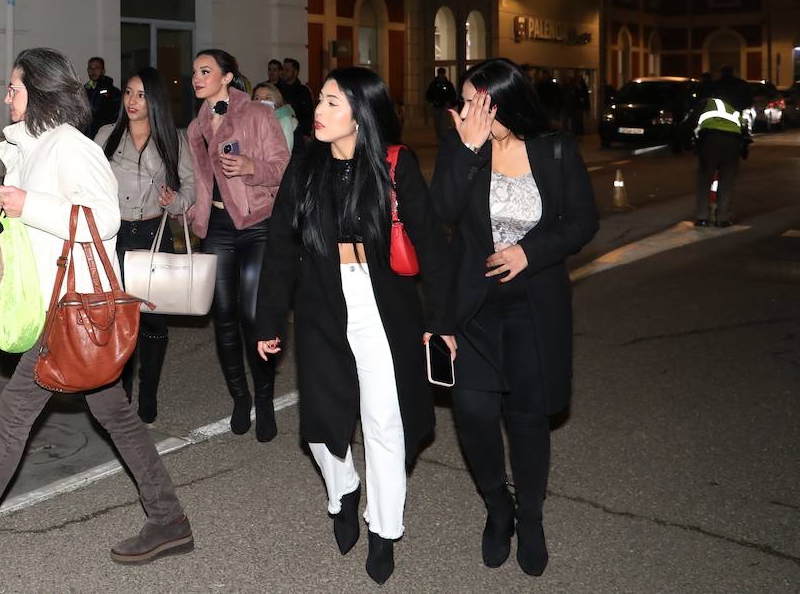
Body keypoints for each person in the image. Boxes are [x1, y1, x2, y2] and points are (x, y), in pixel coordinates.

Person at [0, 48, 192, 586]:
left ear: (40, 92)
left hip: (72, 311)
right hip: (59, 309)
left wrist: (27, 205)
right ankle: (169, 519)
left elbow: (103, 217)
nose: (6, 96)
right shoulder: (30, 149)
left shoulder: (70, 147)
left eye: (14, 87)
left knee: (11, 422)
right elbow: (25, 235)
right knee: (115, 413)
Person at [255, 67, 453, 585]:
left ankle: (385, 529)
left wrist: (443, 321)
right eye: (318, 102)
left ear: (359, 115)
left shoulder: (394, 164)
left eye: (331, 104)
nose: (317, 112)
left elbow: (432, 244)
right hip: (322, 303)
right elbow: (279, 243)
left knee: (384, 423)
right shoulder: (306, 164)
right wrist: (269, 317)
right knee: (321, 426)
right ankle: (342, 489)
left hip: (382, 306)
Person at [431, 58, 599, 578]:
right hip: (474, 310)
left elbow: (582, 221)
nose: (461, 110)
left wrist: (531, 251)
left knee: (528, 422)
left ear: (498, 103)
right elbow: (441, 215)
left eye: (471, 100)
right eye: (460, 101)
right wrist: (467, 150)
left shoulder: (555, 150)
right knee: (474, 414)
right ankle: (496, 508)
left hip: (532, 309)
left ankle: (530, 517)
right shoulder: (463, 152)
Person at [186, 49, 290, 441]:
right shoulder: (196, 126)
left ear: (228, 78)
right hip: (215, 226)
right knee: (224, 317)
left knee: (253, 315)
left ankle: (264, 399)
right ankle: (240, 398)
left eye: (206, 71)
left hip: (256, 224)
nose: (197, 77)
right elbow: (198, 181)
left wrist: (251, 167)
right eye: (195, 72)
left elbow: (283, 168)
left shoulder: (258, 115)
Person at [95, 67, 196, 423]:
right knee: (117, 319)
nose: (132, 101)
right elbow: (88, 181)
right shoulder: (107, 135)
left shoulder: (174, 139)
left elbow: (190, 189)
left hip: (155, 235)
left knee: (153, 322)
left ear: (154, 100)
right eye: (128, 93)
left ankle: (148, 393)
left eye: (141, 95)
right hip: (115, 236)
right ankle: (120, 393)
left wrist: (174, 201)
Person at [690, 65, 751, 227]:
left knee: (705, 177)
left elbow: (694, 117)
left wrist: (695, 141)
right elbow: (745, 114)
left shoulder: (708, 96)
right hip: (732, 138)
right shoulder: (738, 95)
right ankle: (723, 218)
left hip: (710, 138)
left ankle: (702, 217)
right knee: (727, 178)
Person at [252, 81, 298, 151]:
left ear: (277, 101)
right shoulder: (249, 124)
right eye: (257, 98)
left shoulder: (288, 123)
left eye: (267, 98)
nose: (262, 101)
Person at [278, 57, 316, 139]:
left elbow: (308, 115)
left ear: (295, 72)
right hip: (278, 133)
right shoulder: (276, 89)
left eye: (287, 70)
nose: (283, 72)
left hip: (299, 135)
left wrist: (306, 133)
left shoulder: (304, 91)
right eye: (283, 69)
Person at [84, 56, 122, 136]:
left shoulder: (113, 91)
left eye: (97, 68)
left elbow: (116, 115)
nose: (93, 71)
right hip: (87, 136)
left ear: (103, 71)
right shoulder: (84, 89)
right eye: (90, 68)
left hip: (104, 136)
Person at [425, 66, 457, 137]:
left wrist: (450, 103)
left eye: (442, 74)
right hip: (436, 107)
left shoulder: (448, 84)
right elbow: (428, 95)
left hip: (445, 107)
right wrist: (433, 101)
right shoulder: (434, 84)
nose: (441, 75)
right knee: (437, 124)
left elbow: (453, 95)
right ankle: (439, 138)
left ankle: (443, 139)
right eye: (440, 74)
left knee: (443, 124)